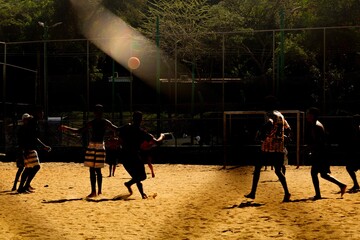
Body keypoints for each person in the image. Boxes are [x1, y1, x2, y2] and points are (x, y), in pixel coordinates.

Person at [60, 104, 118, 198]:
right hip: (94, 146)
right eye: (97, 111)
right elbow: (79, 131)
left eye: (99, 111)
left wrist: (66, 128)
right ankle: (95, 191)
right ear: (95, 112)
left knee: (96, 170)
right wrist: (67, 128)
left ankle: (97, 191)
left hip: (97, 146)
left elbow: (78, 131)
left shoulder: (99, 122)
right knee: (93, 170)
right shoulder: (100, 122)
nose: (98, 113)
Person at [245, 96, 291, 202]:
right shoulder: (281, 116)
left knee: (257, 168)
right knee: (278, 171)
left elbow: (269, 123)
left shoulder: (270, 114)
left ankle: (253, 192)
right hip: (279, 147)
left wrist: (260, 132)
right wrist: (285, 138)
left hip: (268, 147)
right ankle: (287, 192)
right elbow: (289, 129)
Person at [118, 111, 164, 199]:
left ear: (133, 118)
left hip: (125, 156)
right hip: (134, 156)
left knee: (137, 176)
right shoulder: (141, 132)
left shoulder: (126, 128)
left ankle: (141, 193)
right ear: (141, 120)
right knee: (141, 176)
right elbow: (157, 142)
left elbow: (116, 130)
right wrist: (162, 136)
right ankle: (129, 184)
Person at [306, 107, 347, 200]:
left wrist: (314, 152)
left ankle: (318, 194)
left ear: (312, 115)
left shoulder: (317, 126)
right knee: (323, 174)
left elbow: (320, 142)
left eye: (308, 114)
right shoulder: (315, 125)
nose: (307, 115)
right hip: (321, 153)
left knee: (314, 173)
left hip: (321, 153)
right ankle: (341, 185)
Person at [17, 109, 51, 194]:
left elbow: (33, 137)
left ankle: (23, 187)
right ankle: (23, 186)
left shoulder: (30, 125)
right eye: (41, 113)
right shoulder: (30, 125)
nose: (42, 115)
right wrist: (24, 150)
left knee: (29, 168)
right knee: (35, 167)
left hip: (28, 148)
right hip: (28, 148)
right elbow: (31, 138)